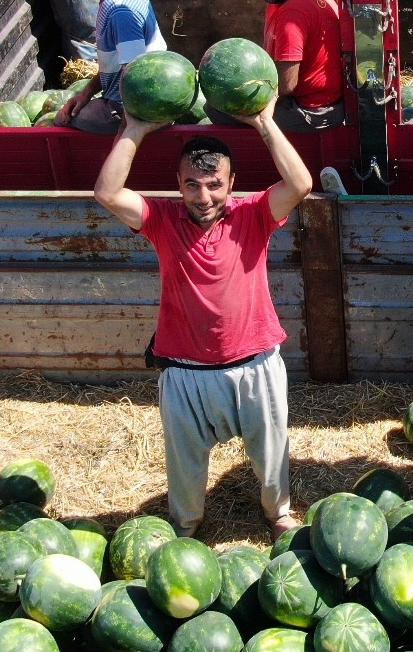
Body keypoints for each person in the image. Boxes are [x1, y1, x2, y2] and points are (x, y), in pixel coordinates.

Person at [93, 101, 312, 541]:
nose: (203, 197)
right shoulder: (161, 219)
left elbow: (300, 184)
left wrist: (264, 122)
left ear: (231, 183)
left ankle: (278, 513)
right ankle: (186, 524)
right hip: (185, 371)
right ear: (178, 183)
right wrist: (135, 128)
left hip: (254, 364)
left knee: (271, 451)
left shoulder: (253, 214)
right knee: (185, 460)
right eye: (192, 185)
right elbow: (108, 193)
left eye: (214, 185)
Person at [56, 0, 167, 135]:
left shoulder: (120, 12)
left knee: (60, 121)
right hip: (126, 97)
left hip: (131, 108)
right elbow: (117, 65)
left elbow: (134, 79)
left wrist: (126, 135)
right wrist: (86, 93)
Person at [250, 0, 348, 132]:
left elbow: (286, 86)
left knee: (218, 109)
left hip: (312, 111)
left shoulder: (293, 12)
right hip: (325, 103)